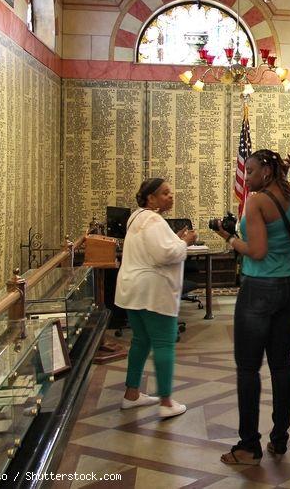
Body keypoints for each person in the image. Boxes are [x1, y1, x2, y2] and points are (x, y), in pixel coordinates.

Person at [213, 149, 290, 465]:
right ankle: (279, 439)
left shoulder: (256, 203)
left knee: (248, 368)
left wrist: (228, 238)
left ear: (266, 172)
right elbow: (282, 216)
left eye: (249, 171)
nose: (245, 177)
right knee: (281, 364)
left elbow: (257, 250)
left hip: (260, 290)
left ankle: (249, 445)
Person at [115, 177, 197, 419]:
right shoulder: (154, 220)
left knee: (140, 340)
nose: (170, 196)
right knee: (164, 342)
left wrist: (174, 237)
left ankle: (131, 394)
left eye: (170, 192)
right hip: (152, 291)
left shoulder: (137, 217)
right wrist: (184, 242)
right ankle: (166, 402)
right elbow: (165, 254)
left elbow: (155, 245)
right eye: (164, 193)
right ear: (150, 198)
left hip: (132, 288)